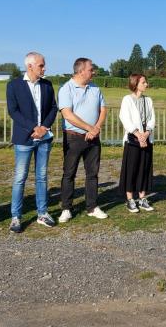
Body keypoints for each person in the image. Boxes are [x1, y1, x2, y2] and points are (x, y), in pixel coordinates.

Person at [6, 52, 58, 233]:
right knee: (20, 178)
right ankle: (16, 217)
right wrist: (33, 128)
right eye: (41, 65)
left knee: (42, 177)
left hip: (44, 139)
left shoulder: (47, 85)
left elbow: (53, 107)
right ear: (30, 66)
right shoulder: (14, 85)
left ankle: (42, 213)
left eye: (44, 65)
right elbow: (13, 111)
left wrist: (44, 127)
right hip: (24, 139)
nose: (44, 68)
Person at [58, 57, 108, 222]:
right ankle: (66, 208)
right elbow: (68, 115)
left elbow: (103, 109)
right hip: (74, 137)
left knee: (92, 173)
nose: (93, 72)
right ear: (80, 71)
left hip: (93, 138)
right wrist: (89, 128)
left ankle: (92, 207)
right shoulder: (67, 89)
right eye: (91, 69)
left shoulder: (95, 88)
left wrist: (96, 128)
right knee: (69, 173)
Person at [118, 74, 156, 213]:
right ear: (135, 83)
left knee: (144, 168)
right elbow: (125, 118)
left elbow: (152, 118)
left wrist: (147, 133)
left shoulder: (148, 100)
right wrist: (137, 134)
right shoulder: (127, 100)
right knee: (132, 168)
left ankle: (142, 198)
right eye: (144, 82)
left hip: (146, 138)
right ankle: (130, 199)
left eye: (146, 82)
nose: (146, 84)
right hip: (133, 140)